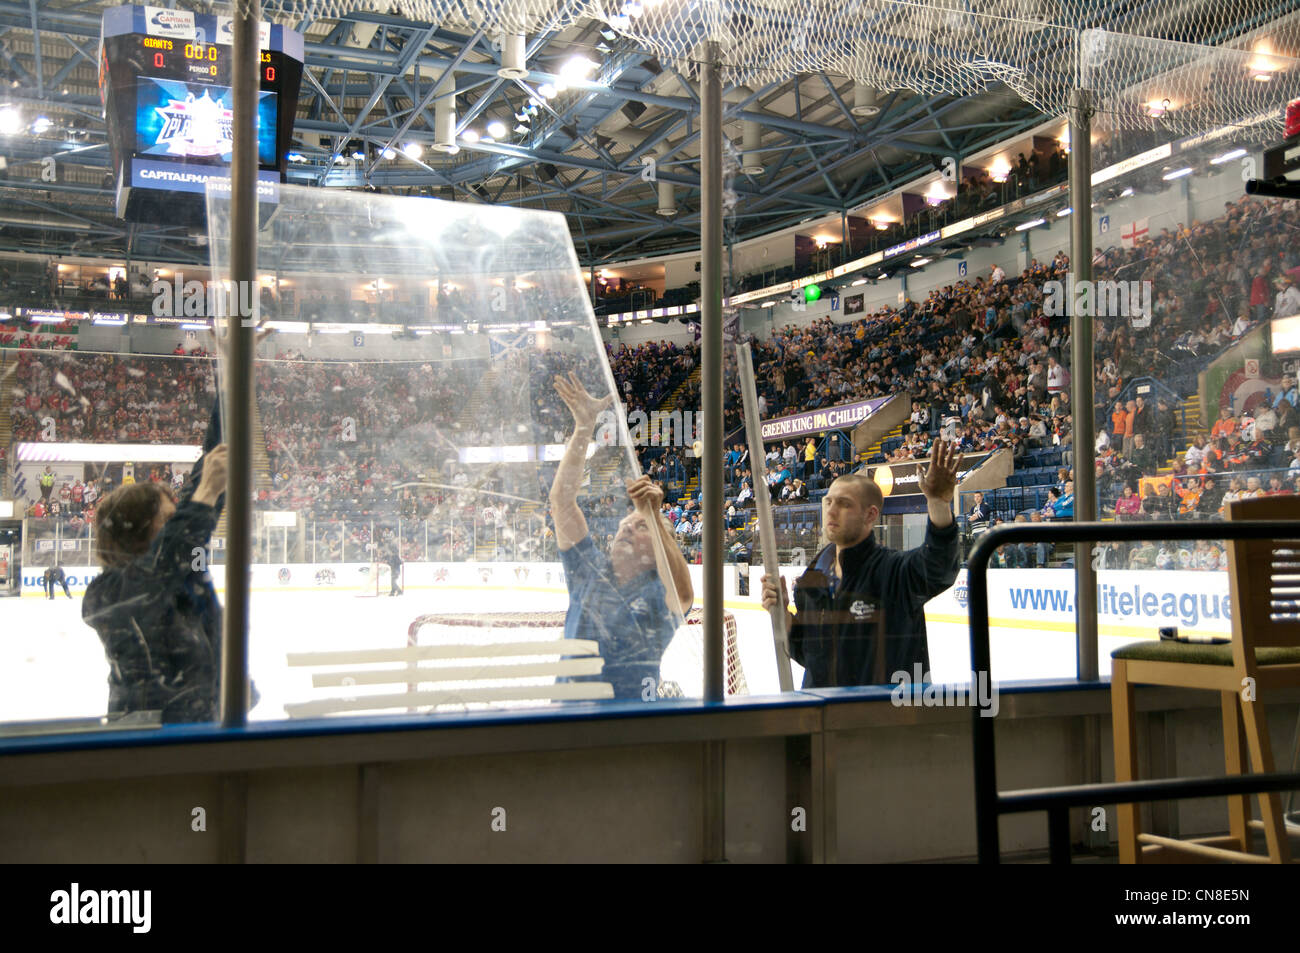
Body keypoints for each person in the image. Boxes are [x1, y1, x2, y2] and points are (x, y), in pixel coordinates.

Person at [82, 399, 237, 724]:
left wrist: (230, 389)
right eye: (166, 521)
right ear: (134, 531)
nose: (177, 527)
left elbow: (203, 492)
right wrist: (205, 493)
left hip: (203, 733)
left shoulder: (181, 572)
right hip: (147, 753)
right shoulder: (107, 593)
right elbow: (169, 554)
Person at [760, 439, 962, 688]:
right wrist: (783, 615)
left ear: (870, 515)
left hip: (884, 722)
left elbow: (939, 566)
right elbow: (812, 657)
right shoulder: (812, 579)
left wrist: (938, 504)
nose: (831, 511)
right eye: (829, 502)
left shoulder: (894, 573)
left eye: (844, 504)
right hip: (822, 721)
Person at [550, 372, 693, 700]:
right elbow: (562, 502)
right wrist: (584, 427)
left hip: (630, 731)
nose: (627, 526)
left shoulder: (659, 594)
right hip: (565, 725)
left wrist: (653, 517)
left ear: (657, 547)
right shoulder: (588, 570)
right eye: (626, 523)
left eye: (640, 526)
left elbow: (683, 593)